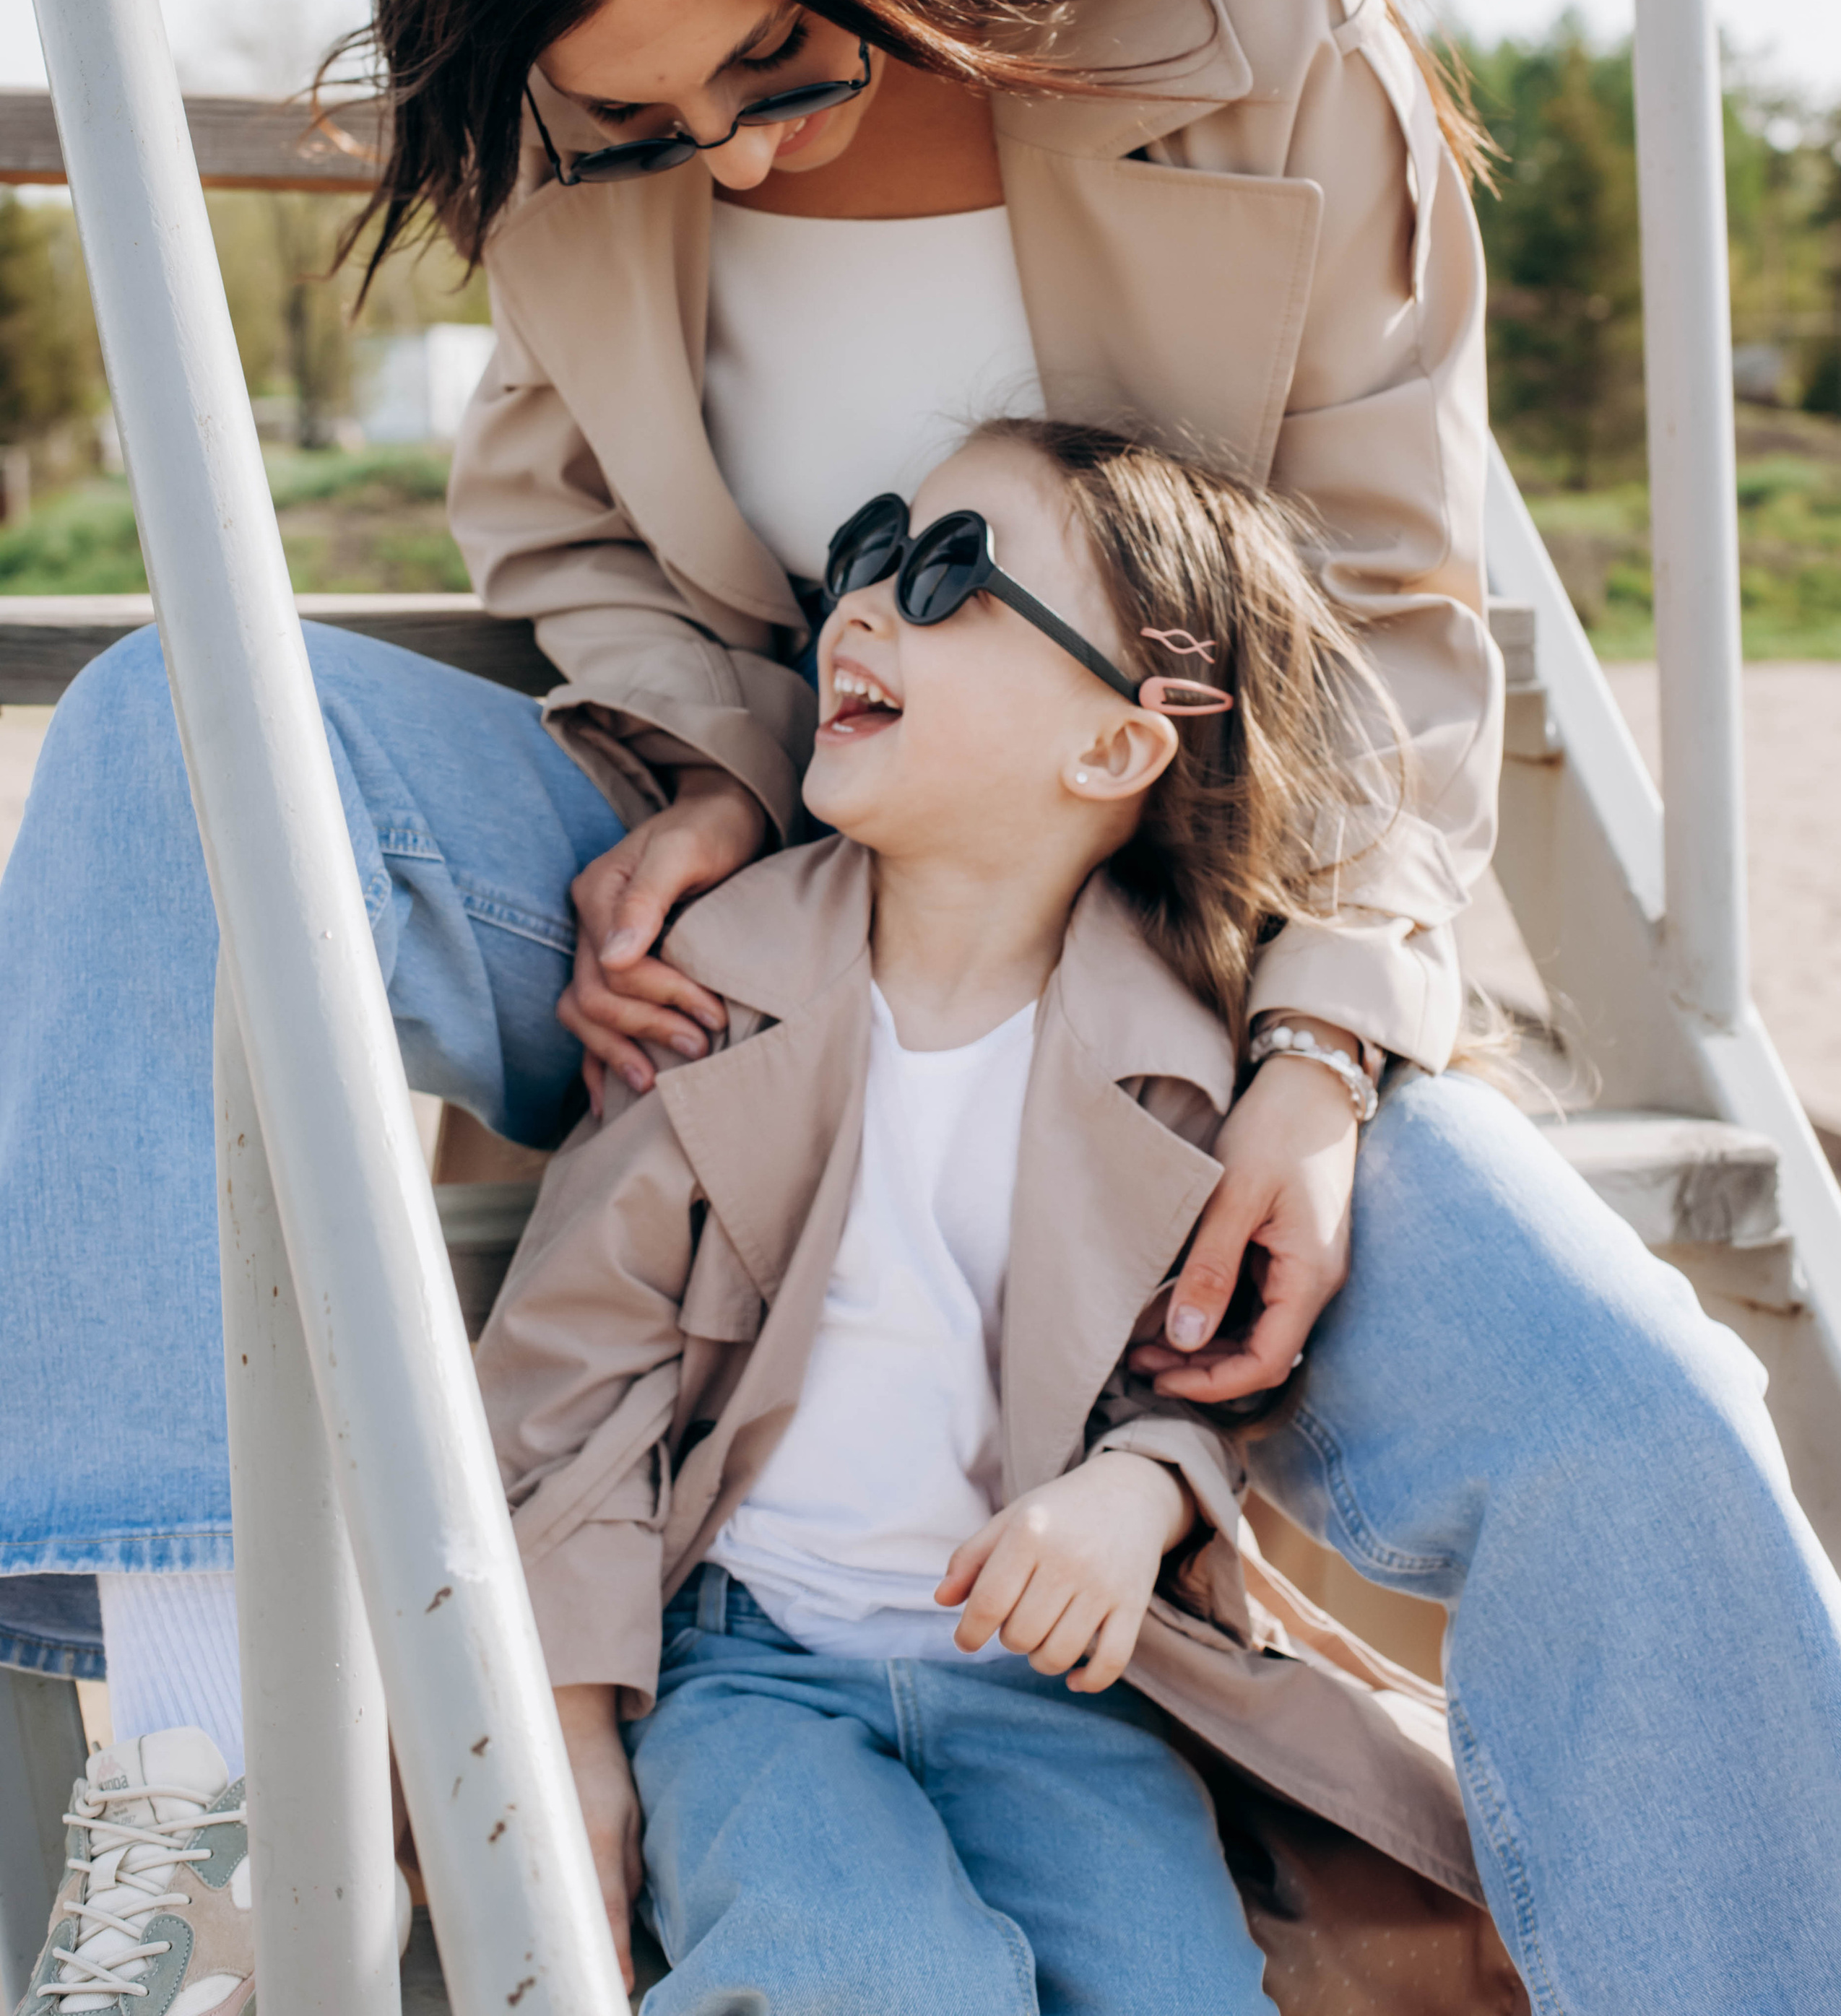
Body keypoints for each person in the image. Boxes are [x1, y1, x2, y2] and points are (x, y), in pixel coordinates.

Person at [1, 0, 1841, 2012]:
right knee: (166, 732)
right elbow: (558, 510)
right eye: (640, 123)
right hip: (758, 894)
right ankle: (178, 1811)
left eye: (780, 67)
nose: (729, 166)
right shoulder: (589, 136)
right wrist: (693, 770)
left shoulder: (1255, 37)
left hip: (1185, 946)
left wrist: (1316, 1055)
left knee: (1637, 1424)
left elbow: (1388, 628)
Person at [477, 421, 1503, 2012]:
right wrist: (567, 1729)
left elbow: (1198, 1379)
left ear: (1110, 752)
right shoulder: (715, 994)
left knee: (1175, 1990)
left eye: (951, 575)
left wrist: (1136, 1494)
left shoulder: (1173, 1071)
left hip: (1058, 1687)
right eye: (873, 549)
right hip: (750, 1670)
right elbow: (570, 1378)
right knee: (878, 1977)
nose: (867, 607)